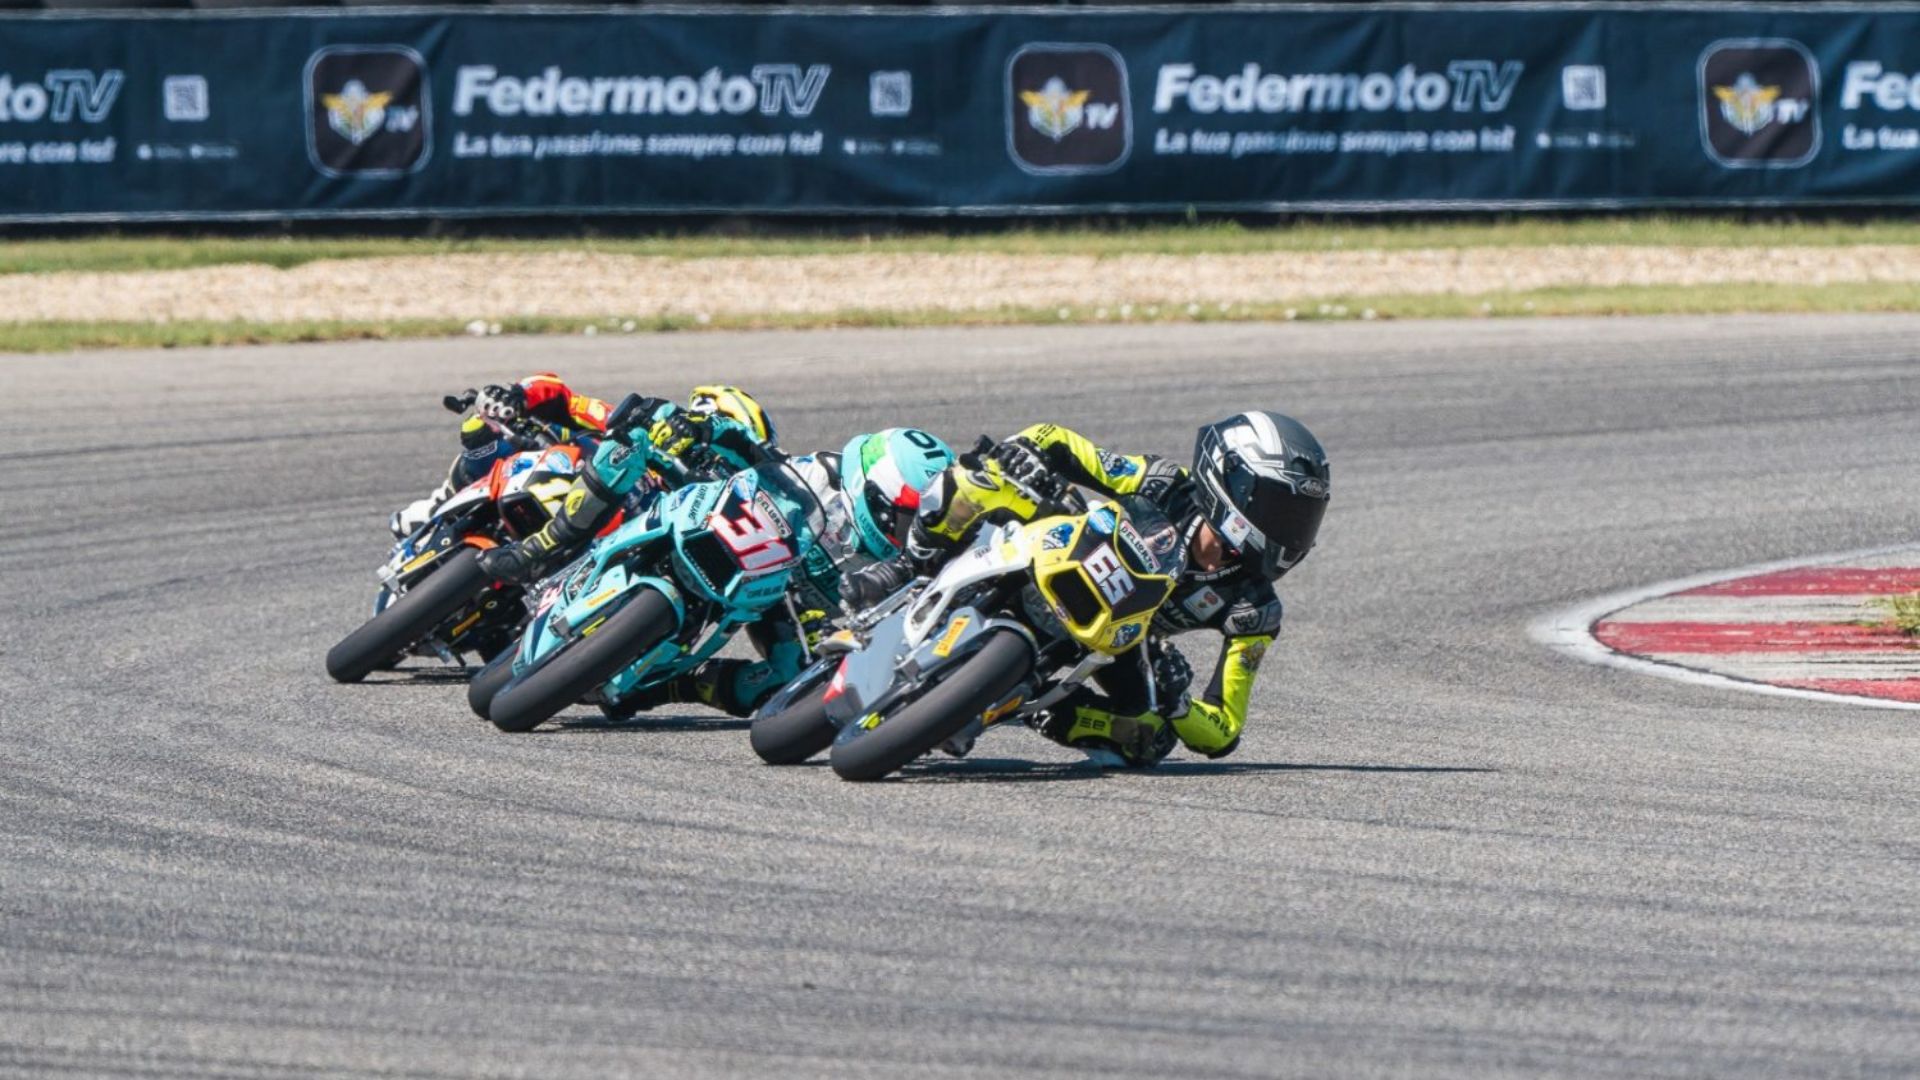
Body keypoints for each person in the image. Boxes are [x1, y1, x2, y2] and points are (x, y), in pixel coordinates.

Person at [842, 412, 1330, 767]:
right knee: (987, 476)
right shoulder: (1163, 484)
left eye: (1302, 519)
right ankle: (907, 567)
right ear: (1231, 483)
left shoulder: (1253, 609)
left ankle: (1030, 707)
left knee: (1148, 738)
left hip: (1121, 641)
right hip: (1065, 548)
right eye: (1281, 511)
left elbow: (1223, 730)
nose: (1291, 532)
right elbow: (1058, 441)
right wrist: (1027, 453)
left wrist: (1180, 702)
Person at [608, 427, 958, 720]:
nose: (907, 535)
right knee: (619, 457)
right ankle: (577, 540)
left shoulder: (910, 561)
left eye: (919, 525)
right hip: (732, 537)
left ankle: (672, 686)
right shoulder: (818, 475)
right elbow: (745, 445)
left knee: (792, 677)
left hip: (781, 604)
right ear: (873, 488)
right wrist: (698, 428)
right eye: (904, 518)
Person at [473, 384, 781, 584]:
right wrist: (517, 395)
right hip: (557, 493)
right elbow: (566, 398)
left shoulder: (720, 511)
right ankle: (536, 546)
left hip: (617, 567)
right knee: (478, 434)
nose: (718, 464)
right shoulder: (648, 424)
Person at [389, 373, 613, 538]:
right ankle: (445, 502)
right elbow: (561, 393)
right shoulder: (624, 421)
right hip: (543, 466)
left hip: (584, 521)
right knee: (482, 428)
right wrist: (516, 395)